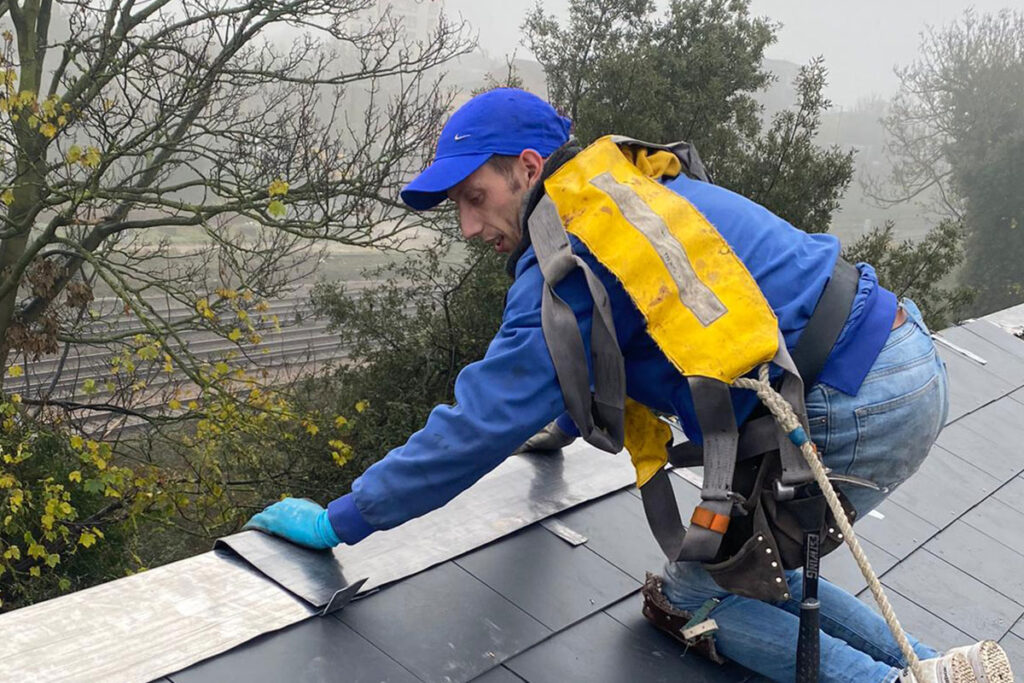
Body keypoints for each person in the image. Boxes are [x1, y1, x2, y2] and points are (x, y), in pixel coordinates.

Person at [245, 89, 1012, 683]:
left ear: (527, 168)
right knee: (750, 577)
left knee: (695, 595)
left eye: (474, 198)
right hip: (894, 354)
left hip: (849, 397)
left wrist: (343, 520)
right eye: (457, 209)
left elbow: (475, 424)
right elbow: (612, 352)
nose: (469, 227)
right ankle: (945, 666)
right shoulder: (616, 201)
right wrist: (554, 414)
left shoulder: (572, 259)